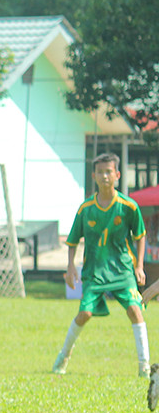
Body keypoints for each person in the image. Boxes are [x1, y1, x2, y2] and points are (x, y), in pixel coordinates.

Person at [52, 153, 149, 377]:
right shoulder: (86, 208)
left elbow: (140, 235)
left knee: (135, 310)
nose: (105, 176)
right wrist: (70, 266)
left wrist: (139, 266)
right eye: (100, 172)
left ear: (117, 175)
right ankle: (63, 356)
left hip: (123, 270)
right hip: (94, 271)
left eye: (109, 172)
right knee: (84, 314)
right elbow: (73, 240)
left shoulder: (128, 206)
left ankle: (144, 366)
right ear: (94, 176)